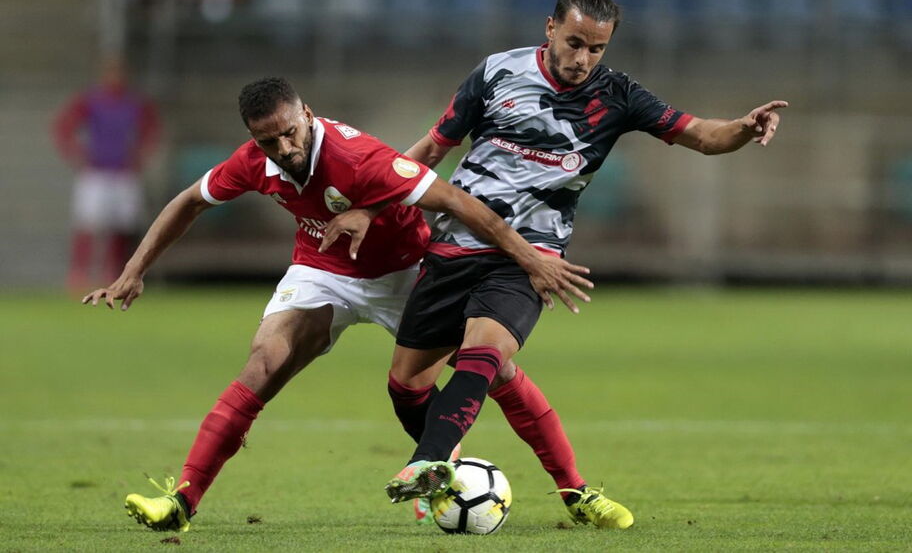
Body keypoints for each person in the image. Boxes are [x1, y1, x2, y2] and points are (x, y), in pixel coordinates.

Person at [82, 77, 591, 533]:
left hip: (406, 272)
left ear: (307, 115)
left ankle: (575, 490)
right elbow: (188, 201)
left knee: (494, 367)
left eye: (289, 133)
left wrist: (530, 259)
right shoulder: (255, 161)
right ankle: (182, 502)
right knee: (262, 362)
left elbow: (458, 202)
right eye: (267, 141)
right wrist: (133, 271)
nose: (283, 148)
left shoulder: (358, 156)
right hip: (323, 272)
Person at [376, 0, 787, 528]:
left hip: (532, 258)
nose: (583, 58)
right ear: (550, 28)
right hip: (454, 244)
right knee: (407, 383)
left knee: (485, 354)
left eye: (597, 48)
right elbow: (430, 148)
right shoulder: (498, 72)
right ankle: (564, 488)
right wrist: (371, 204)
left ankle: (433, 461)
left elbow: (701, 135)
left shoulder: (616, 94)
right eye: (574, 43)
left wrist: (742, 126)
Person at [53, 55, 161, 291]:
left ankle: (113, 271)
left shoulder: (134, 103)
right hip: (96, 171)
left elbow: (151, 129)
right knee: (88, 224)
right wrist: (75, 153)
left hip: (123, 172)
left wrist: (141, 155)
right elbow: (64, 125)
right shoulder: (92, 100)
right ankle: (79, 273)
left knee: (120, 226)